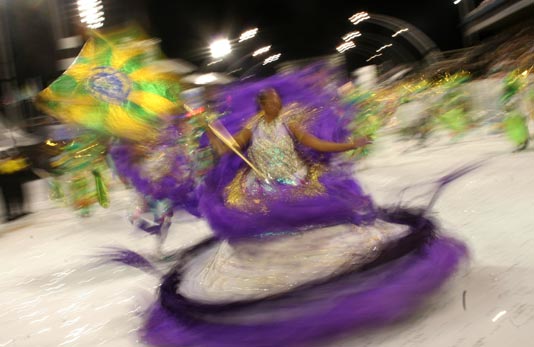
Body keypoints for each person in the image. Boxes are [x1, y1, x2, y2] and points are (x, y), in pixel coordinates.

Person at [140, 88, 467, 347]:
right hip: (263, 186)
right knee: (265, 228)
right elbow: (228, 149)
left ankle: (330, 262)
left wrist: (352, 143)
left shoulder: (289, 123)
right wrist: (212, 133)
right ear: (261, 105)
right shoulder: (252, 127)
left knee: (324, 216)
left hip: (299, 180)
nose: (277, 104)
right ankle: (278, 271)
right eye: (271, 101)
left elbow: (316, 143)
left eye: (279, 100)